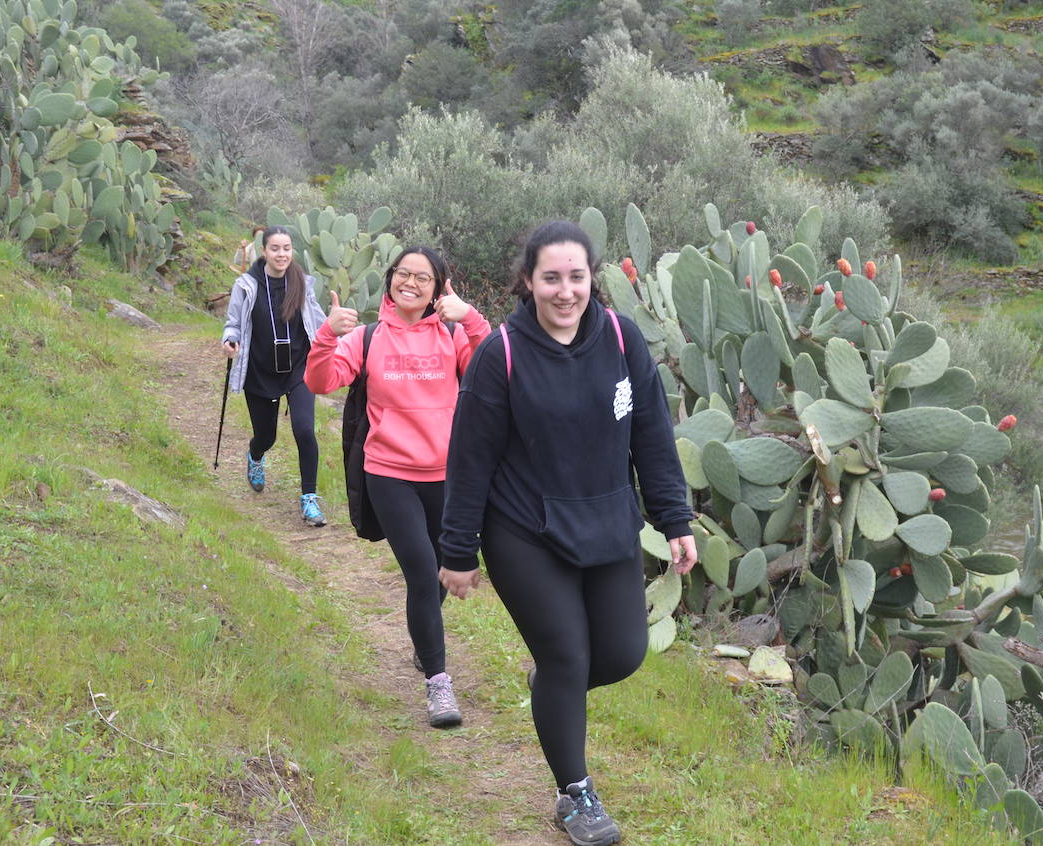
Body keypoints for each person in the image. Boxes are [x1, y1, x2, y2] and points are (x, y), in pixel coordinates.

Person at [437, 220, 697, 846]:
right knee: (567, 654)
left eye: (576, 277)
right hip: (524, 529)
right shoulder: (501, 354)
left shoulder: (620, 337)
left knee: (622, 652)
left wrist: (674, 519)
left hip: (606, 519)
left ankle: (549, 684)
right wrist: (457, 551)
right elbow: (469, 459)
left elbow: (653, 437)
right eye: (550, 277)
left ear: (591, 279)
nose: (564, 291)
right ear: (528, 281)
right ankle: (575, 796)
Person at [304, 246, 490, 728]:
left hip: (448, 476)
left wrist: (470, 318)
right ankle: (438, 683)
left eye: (422, 277)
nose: (410, 282)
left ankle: (424, 644)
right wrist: (327, 335)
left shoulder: (451, 335)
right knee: (424, 574)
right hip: (388, 473)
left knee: (443, 573)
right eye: (403, 273)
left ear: (438, 288)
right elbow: (321, 381)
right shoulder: (366, 338)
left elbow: (493, 369)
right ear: (389, 280)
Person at [221, 226, 329, 526]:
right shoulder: (246, 285)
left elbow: (319, 323)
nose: (282, 254)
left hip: (298, 368)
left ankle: (309, 499)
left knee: (305, 431)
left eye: (287, 248)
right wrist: (230, 341)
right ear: (264, 251)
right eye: (275, 248)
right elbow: (233, 323)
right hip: (260, 370)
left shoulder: (303, 284)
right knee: (266, 436)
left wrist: (341, 342)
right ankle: (256, 456)